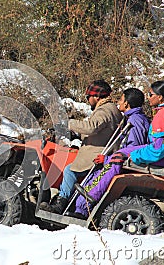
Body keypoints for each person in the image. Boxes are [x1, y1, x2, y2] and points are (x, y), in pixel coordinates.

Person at [74, 80, 164, 218]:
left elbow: (159, 149)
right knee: (120, 154)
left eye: (150, 94)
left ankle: (84, 203)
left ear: (160, 97)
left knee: (116, 159)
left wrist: (133, 156)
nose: (148, 98)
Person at [40, 79, 123, 214]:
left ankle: (60, 203)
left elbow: (91, 128)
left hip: (95, 154)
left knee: (69, 170)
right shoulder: (112, 109)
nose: (88, 100)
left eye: (88, 97)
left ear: (96, 97)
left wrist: (68, 123)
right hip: (102, 151)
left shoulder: (105, 110)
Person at [73, 88, 150, 218]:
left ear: (126, 103)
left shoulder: (135, 121)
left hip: (120, 163)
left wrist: (108, 159)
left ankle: (82, 211)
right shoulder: (133, 118)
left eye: (120, 99)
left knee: (96, 182)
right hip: (115, 159)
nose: (118, 102)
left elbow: (132, 148)